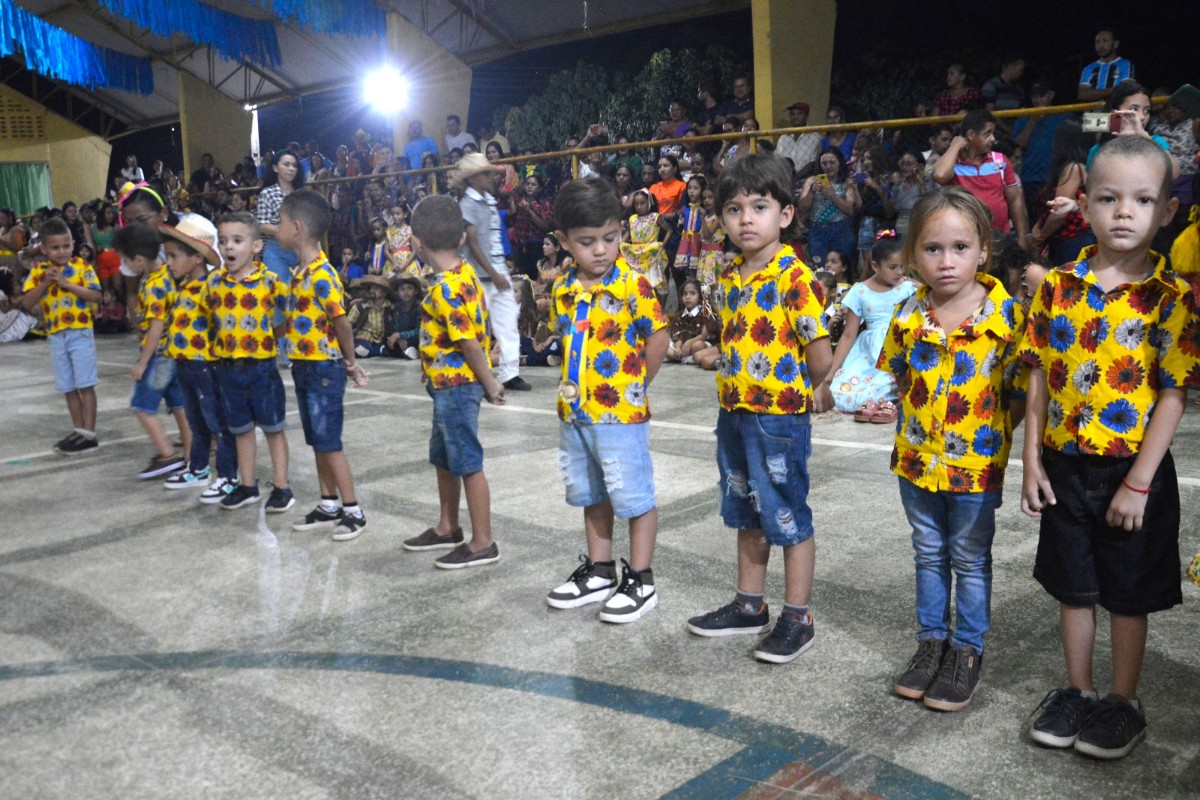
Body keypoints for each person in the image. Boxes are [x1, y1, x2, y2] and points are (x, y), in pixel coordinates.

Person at [1019, 136, 1193, 760]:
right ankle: (1079, 691)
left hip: (1132, 472)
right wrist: (1032, 459)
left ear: (1165, 212)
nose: (1124, 212)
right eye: (1108, 198)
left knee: (1126, 592)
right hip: (1065, 466)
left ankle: (1123, 702)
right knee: (1075, 588)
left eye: (1142, 200)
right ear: (1082, 206)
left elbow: (1173, 394)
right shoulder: (1057, 287)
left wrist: (1139, 482)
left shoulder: (1171, 300)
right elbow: (1037, 374)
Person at [880, 188, 1026, 711]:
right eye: (933, 249)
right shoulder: (906, 314)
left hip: (975, 469)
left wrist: (988, 441)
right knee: (927, 553)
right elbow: (899, 376)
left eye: (961, 247)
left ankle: (967, 650)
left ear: (984, 250)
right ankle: (930, 644)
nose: (947, 262)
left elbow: (1018, 394)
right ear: (913, 255)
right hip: (915, 463)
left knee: (969, 558)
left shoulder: (1007, 319)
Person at [686, 154, 834, 664]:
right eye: (733, 209)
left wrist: (809, 392)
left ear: (786, 215)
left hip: (778, 420)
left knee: (787, 513)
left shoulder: (794, 277)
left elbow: (820, 355)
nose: (746, 219)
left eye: (760, 206)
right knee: (747, 510)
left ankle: (799, 616)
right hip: (734, 414)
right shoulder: (728, 277)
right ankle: (750, 605)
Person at [544, 177, 669, 622]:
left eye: (610, 238)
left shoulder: (634, 286)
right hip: (575, 415)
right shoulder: (562, 288)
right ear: (564, 241)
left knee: (633, 496)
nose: (600, 250)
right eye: (587, 241)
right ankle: (599, 570)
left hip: (621, 414)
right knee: (591, 492)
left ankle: (640, 577)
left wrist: (638, 386)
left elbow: (658, 338)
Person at [400, 195, 505, 567]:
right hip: (445, 386)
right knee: (444, 458)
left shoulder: (445, 288)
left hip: (458, 387)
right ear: (462, 238)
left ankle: (483, 542)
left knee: (466, 461)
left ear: (415, 242)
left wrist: (490, 383)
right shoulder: (463, 275)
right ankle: (448, 526)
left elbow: (468, 341)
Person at [278, 190, 369, 540]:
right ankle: (328, 503)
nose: (278, 228)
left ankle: (353, 510)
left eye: (282, 223)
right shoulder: (299, 272)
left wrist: (350, 361)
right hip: (303, 365)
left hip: (324, 368)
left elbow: (341, 321)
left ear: (297, 227)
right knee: (317, 439)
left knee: (329, 440)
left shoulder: (321, 274)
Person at [209, 212, 291, 510]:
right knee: (240, 429)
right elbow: (209, 321)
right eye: (223, 241)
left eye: (237, 240)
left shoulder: (270, 281)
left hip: (262, 368)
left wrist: (277, 336)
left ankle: (282, 487)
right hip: (228, 369)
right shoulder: (214, 283)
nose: (228, 247)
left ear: (256, 246)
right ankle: (248, 485)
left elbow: (290, 311)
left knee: (273, 428)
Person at [157, 215, 238, 496]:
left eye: (173, 256)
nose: (168, 262)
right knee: (196, 421)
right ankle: (199, 468)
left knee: (218, 422)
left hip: (207, 365)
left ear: (195, 258)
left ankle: (229, 475)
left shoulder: (211, 285)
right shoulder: (183, 286)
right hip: (185, 363)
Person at [112, 222, 190, 479]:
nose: (124, 265)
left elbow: (157, 327)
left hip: (159, 357)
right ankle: (191, 458)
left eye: (125, 260)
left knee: (143, 407)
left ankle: (167, 456)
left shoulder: (153, 284)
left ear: (138, 259)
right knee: (180, 407)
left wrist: (142, 363)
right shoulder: (168, 274)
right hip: (175, 353)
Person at [20, 217, 102, 454]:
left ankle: (90, 432)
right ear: (44, 249)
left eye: (66, 246)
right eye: (55, 248)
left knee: (86, 384)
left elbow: (95, 296)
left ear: (73, 244)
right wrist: (45, 284)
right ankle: (78, 431)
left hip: (80, 332)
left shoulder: (82, 267)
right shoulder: (38, 271)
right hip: (56, 335)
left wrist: (67, 284)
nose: (61, 252)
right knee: (68, 386)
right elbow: (27, 302)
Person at [455, 153, 529, 392]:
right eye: (487, 174)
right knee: (478, 327)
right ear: (475, 178)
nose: (492, 177)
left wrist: (500, 270)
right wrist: (495, 273)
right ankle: (480, 371)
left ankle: (510, 372)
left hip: (496, 270)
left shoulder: (487, 200)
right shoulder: (467, 204)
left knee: (507, 322)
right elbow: (473, 244)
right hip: (480, 275)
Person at [822, 232, 915, 417]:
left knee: (889, 385)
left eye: (902, 266)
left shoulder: (909, 288)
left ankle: (884, 403)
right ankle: (873, 403)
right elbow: (849, 335)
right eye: (893, 267)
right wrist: (831, 372)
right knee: (844, 389)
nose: (899, 272)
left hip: (898, 347)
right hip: (867, 353)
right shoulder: (860, 291)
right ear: (875, 265)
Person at [932, 109, 1030, 248]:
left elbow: (1015, 201)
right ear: (971, 134)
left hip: (1000, 239)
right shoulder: (953, 162)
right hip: (964, 241)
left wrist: (1022, 239)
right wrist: (955, 145)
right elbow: (940, 175)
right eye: (987, 133)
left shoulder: (1000, 160)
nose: (993, 139)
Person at [1012, 81, 1071, 219]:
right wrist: (1032, 121)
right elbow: (1018, 145)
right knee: (1033, 219)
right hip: (1030, 178)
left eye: (1042, 96)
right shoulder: (1024, 117)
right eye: (1034, 97)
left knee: (1054, 218)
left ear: (1051, 95)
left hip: (1056, 178)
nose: (1038, 100)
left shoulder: (1063, 116)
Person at [797, 149, 861, 270]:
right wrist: (811, 192)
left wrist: (833, 195)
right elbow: (802, 208)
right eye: (824, 163)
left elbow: (849, 210)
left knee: (841, 267)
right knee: (819, 267)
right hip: (817, 230)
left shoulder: (846, 182)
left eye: (832, 162)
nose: (828, 166)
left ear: (839, 163)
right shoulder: (811, 181)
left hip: (841, 230)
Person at [255, 150, 303, 285]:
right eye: (286, 165)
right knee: (281, 293)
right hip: (277, 250)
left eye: (294, 165)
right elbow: (262, 225)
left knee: (303, 296)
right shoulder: (267, 193)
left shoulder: (301, 194)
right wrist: (287, 232)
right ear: (275, 168)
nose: (291, 169)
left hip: (301, 249)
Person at [620, 189, 670, 294]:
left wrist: (662, 245)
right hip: (637, 254)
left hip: (652, 253)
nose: (639, 207)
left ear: (649, 202)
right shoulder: (633, 218)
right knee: (638, 281)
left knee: (657, 280)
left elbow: (669, 230)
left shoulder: (655, 217)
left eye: (642, 203)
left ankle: (661, 308)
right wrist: (621, 245)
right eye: (636, 204)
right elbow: (629, 233)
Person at [664, 278, 713, 363]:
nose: (687, 297)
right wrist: (678, 347)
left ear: (701, 296)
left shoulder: (706, 313)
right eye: (685, 294)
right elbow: (677, 335)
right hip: (682, 346)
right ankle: (680, 356)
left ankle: (679, 357)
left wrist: (689, 342)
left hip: (698, 344)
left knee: (698, 345)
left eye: (692, 293)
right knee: (663, 344)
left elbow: (703, 335)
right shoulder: (680, 314)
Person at [1078, 29, 1134, 102]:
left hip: (1116, 112)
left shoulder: (1126, 64)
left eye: (1105, 41)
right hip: (1093, 113)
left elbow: (1126, 91)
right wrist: (1111, 90)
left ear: (1115, 44)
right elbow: (1082, 94)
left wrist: (1094, 93)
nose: (1100, 45)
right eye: (1097, 42)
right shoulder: (1089, 68)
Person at [775, 102, 821, 174]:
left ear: (806, 116)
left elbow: (812, 164)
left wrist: (796, 179)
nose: (795, 117)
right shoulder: (783, 138)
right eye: (792, 114)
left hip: (806, 178)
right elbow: (777, 160)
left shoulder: (814, 137)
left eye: (799, 113)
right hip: (784, 178)